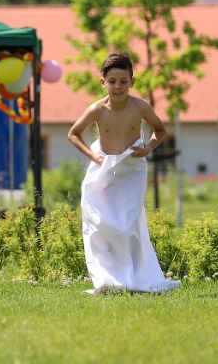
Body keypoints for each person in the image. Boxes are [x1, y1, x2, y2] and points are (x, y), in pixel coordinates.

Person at [68, 52, 180, 294]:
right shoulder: (97, 109)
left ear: (132, 82)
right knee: (102, 223)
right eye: (112, 81)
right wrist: (94, 157)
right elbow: (73, 134)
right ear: (103, 82)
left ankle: (136, 277)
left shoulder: (140, 107)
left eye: (123, 81)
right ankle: (108, 278)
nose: (118, 87)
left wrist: (148, 148)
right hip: (103, 168)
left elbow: (159, 130)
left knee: (128, 224)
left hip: (132, 168)